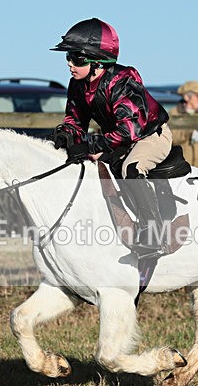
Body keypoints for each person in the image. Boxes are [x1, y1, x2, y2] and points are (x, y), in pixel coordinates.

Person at [49, 18, 172, 256]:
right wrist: (66, 135)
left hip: (149, 136)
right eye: (68, 58)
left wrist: (91, 144)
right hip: (116, 137)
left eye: (77, 59)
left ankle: (153, 234)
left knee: (131, 168)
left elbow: (130, 130)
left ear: (97, 62)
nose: (70, 64)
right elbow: (75, 119)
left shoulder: (122, 79)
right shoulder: (77, 84)